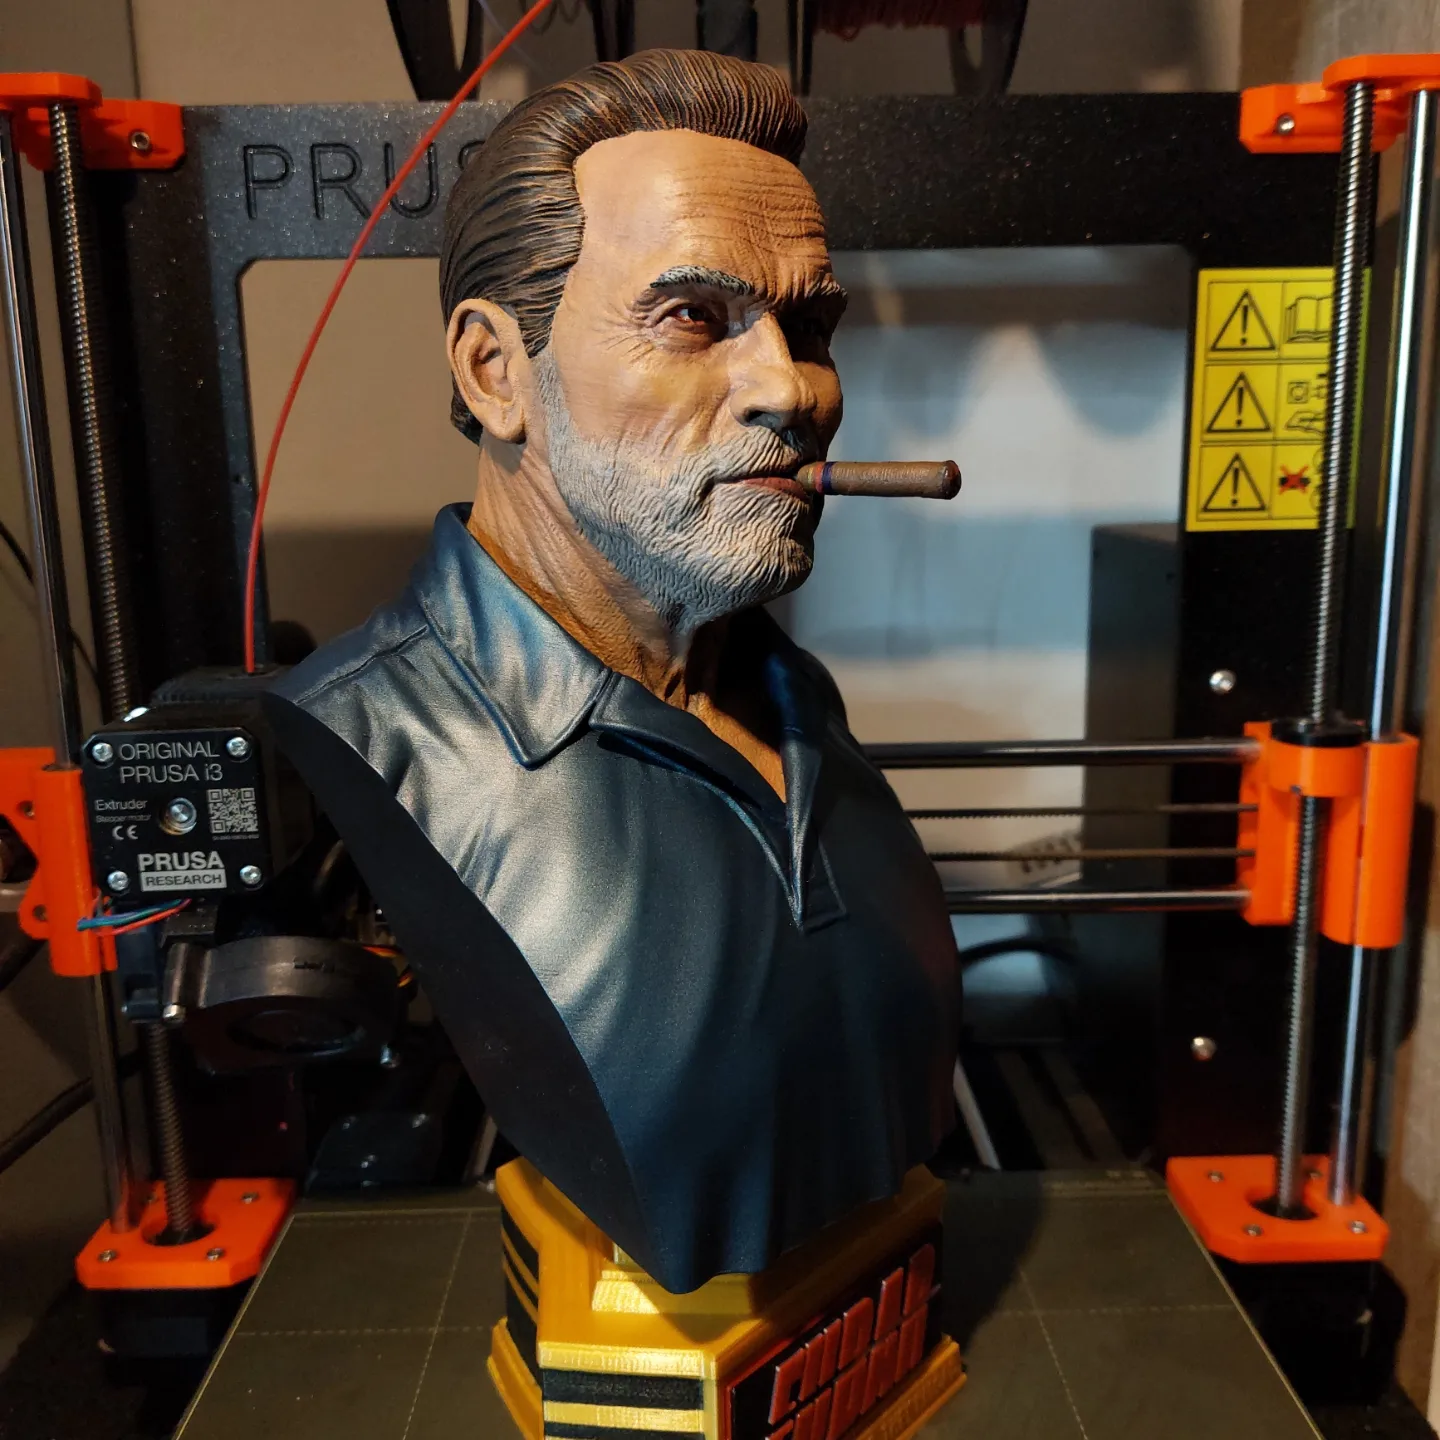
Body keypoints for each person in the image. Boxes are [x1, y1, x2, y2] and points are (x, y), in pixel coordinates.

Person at [266, 48, 958, 1294]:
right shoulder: (379, 735)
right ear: (495, 372)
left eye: (809, 327)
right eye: (692, 316)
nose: (794, 390)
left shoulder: (793, 694)